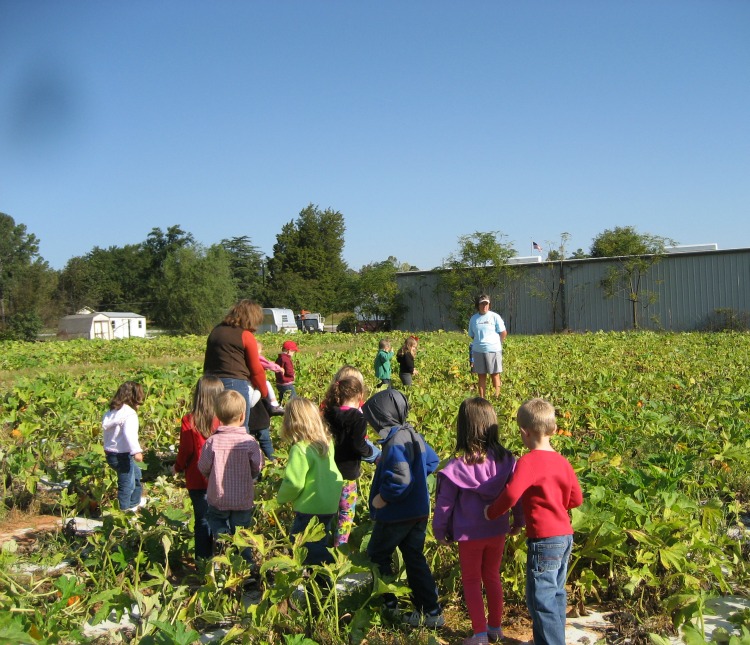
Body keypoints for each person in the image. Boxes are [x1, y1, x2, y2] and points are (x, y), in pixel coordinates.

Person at [485, 398, 583, 645]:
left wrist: (492, 512)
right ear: (552, 429)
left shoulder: (528, 462)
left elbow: (510, 494)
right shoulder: (563, 462)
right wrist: (555, 502)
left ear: (524, 432)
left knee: (541, 598)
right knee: (555, 595)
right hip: (564, 536)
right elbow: (576, 499)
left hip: (544, 539)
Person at [433, 398, 524, 645]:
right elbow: (515, 493)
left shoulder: (457, 467)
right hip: (497, 530)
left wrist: (439, 531)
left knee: (472, 580)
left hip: (468, 535)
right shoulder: (507, 461)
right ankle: (496, 628)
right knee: (492, 576)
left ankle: (480, 634)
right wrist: (519, 520)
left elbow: (444, 504)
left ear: (463, 427)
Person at [362, 389, 444, 628]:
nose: (371, 424)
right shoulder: (411, 434)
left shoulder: (395, 442)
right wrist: (418, 479)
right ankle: (431, 611)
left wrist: (384, 498)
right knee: (414, 558)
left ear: (381, 418)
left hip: (397, 514)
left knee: (378, 554)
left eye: (372, 420)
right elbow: (432, 460)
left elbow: (400, 479)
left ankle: (389, 606)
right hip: (418, 511)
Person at [198, 390, 263, 560]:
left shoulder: (212, 442)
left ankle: (222, 543)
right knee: (242, 533)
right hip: (242, 498)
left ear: (218, 416)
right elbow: (257, 465)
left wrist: (210, 475)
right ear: (243, 416)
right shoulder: (249, 442)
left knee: (217, 521)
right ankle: (245, 565)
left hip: (218, 497)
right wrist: (252, 475)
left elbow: (203, 466)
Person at [277, 397, 344, 565]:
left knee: (303, 546)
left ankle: (324, 575)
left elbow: (294, 482)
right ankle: (325, 572)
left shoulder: (300, 449)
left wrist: (281, 498)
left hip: (309, 506)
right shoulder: (326, 443)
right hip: (329, 503)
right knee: (321, 539)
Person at [321, 376, 379, 546]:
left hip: (328, 470)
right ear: (360, 395)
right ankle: (341, 549)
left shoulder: (329, 412)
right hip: (348, 472)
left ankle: (323, 545)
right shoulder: (358, 418)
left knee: (328, 511)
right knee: (346, 513)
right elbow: (358, 445)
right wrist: (372, 453)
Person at [173, 375, 224, 560]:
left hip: (197, 478)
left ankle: (203, 562)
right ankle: (222, 560)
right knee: (221, 519)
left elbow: (185, 450)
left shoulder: (190, 420)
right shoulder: (225, 418)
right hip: (222, 477)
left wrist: (178, 467)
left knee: (202, 520)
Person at [203, 300, 269, 432]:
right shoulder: (245, 335)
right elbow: (256, 370)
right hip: (234, 383)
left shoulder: (216, 331)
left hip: (210, 383)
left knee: (212, 426)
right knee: (238, 428)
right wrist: (263, 390)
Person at [102, 381, 145, 511]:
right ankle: (124, 510)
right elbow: (129, 433)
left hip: (111, 453)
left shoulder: (112, 412)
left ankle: (134, 502)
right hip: (123, 455)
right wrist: (136, 451)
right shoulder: (129, 414)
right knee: (127, 484)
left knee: (136, 475)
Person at [468, 295, 507, 398]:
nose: (484, 306)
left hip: (493, 350)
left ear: (489, 305)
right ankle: (482, 398)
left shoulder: (495, 317)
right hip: (478, 350)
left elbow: (503, 332)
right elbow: (472, 335)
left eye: (486, 303)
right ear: (478, 305)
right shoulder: (474, 319)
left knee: (495, 374)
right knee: (481, 375)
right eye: (482, 303)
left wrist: (498, 343)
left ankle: (497, 397)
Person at [256, 340, 285, 415]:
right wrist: (279, 368)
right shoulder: (257, 357)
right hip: (258, 379)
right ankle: (274, 403)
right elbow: (268, 365)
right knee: (267, 384)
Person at [275, 340, 299, 404]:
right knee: (293, 401)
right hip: (287, 383)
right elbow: (289, 371)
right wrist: (293, 375)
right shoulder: (287, 359)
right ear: (289, 351)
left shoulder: (279, 358)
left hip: (279, 383)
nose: (293, 353)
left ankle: (281, 411)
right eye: (293, 351)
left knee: (282, 400)